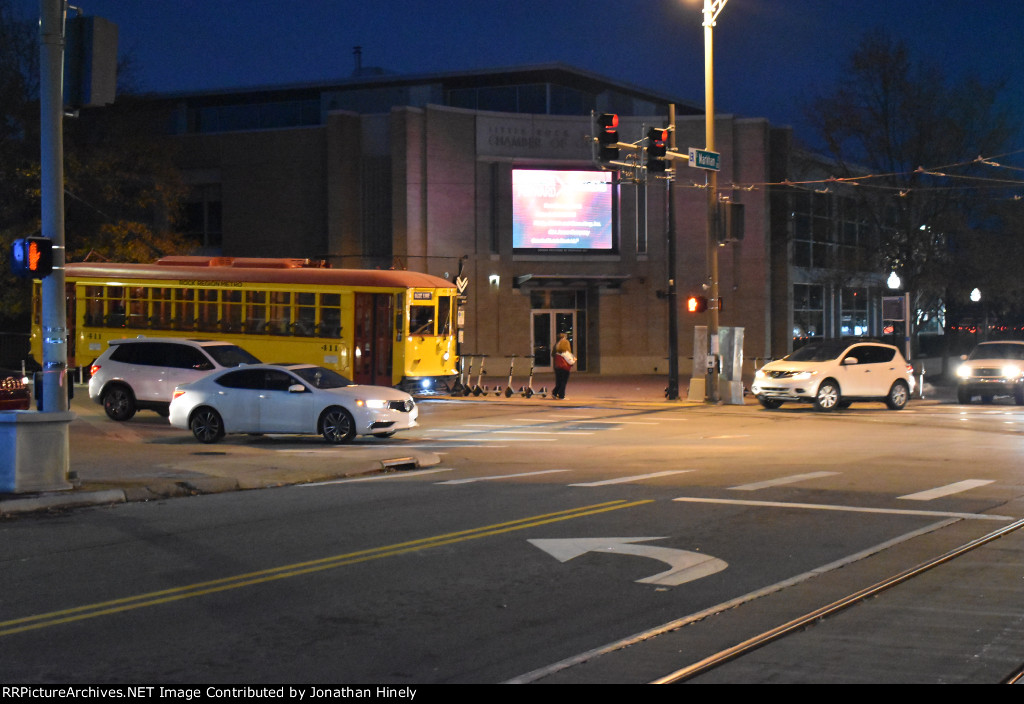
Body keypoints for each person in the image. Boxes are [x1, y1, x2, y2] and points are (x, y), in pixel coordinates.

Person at [552, 333, 574, 400]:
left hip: (557, 367)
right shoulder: (566, 353)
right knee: (563, 382)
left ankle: (555, 393)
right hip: (564, 368)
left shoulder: (558, 353)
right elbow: (571, 361)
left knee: (558, 381)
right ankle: (561, 395)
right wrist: (574, 359)